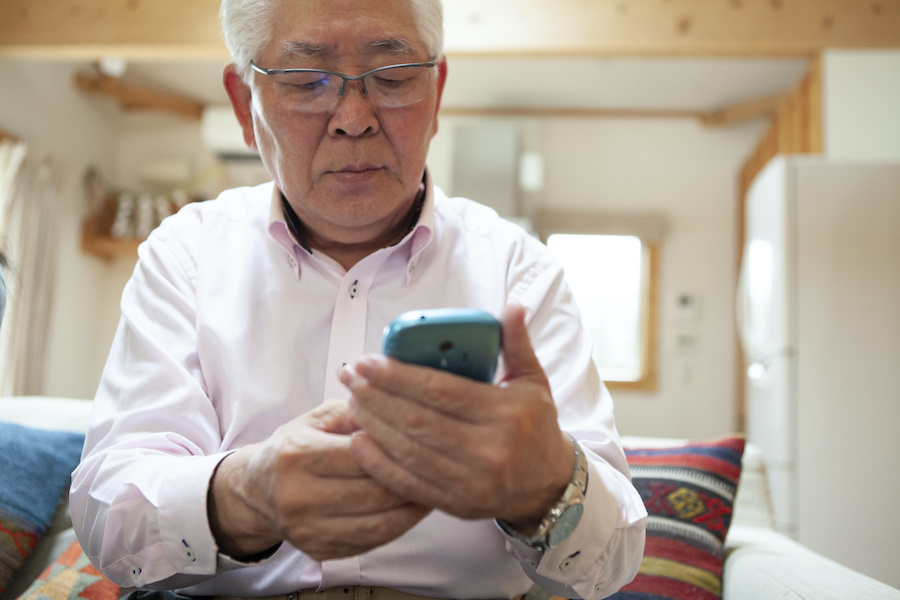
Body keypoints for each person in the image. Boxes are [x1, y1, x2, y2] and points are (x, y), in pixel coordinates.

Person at [70, 1, 647, 599]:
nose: (353, 117)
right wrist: (246, 492)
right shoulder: (186, 256)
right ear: (245, 104)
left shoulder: (518, 273)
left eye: (393, 78)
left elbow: (615, 558)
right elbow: (108, 514)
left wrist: (546, 483)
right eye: (305, 80)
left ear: (437, 92)